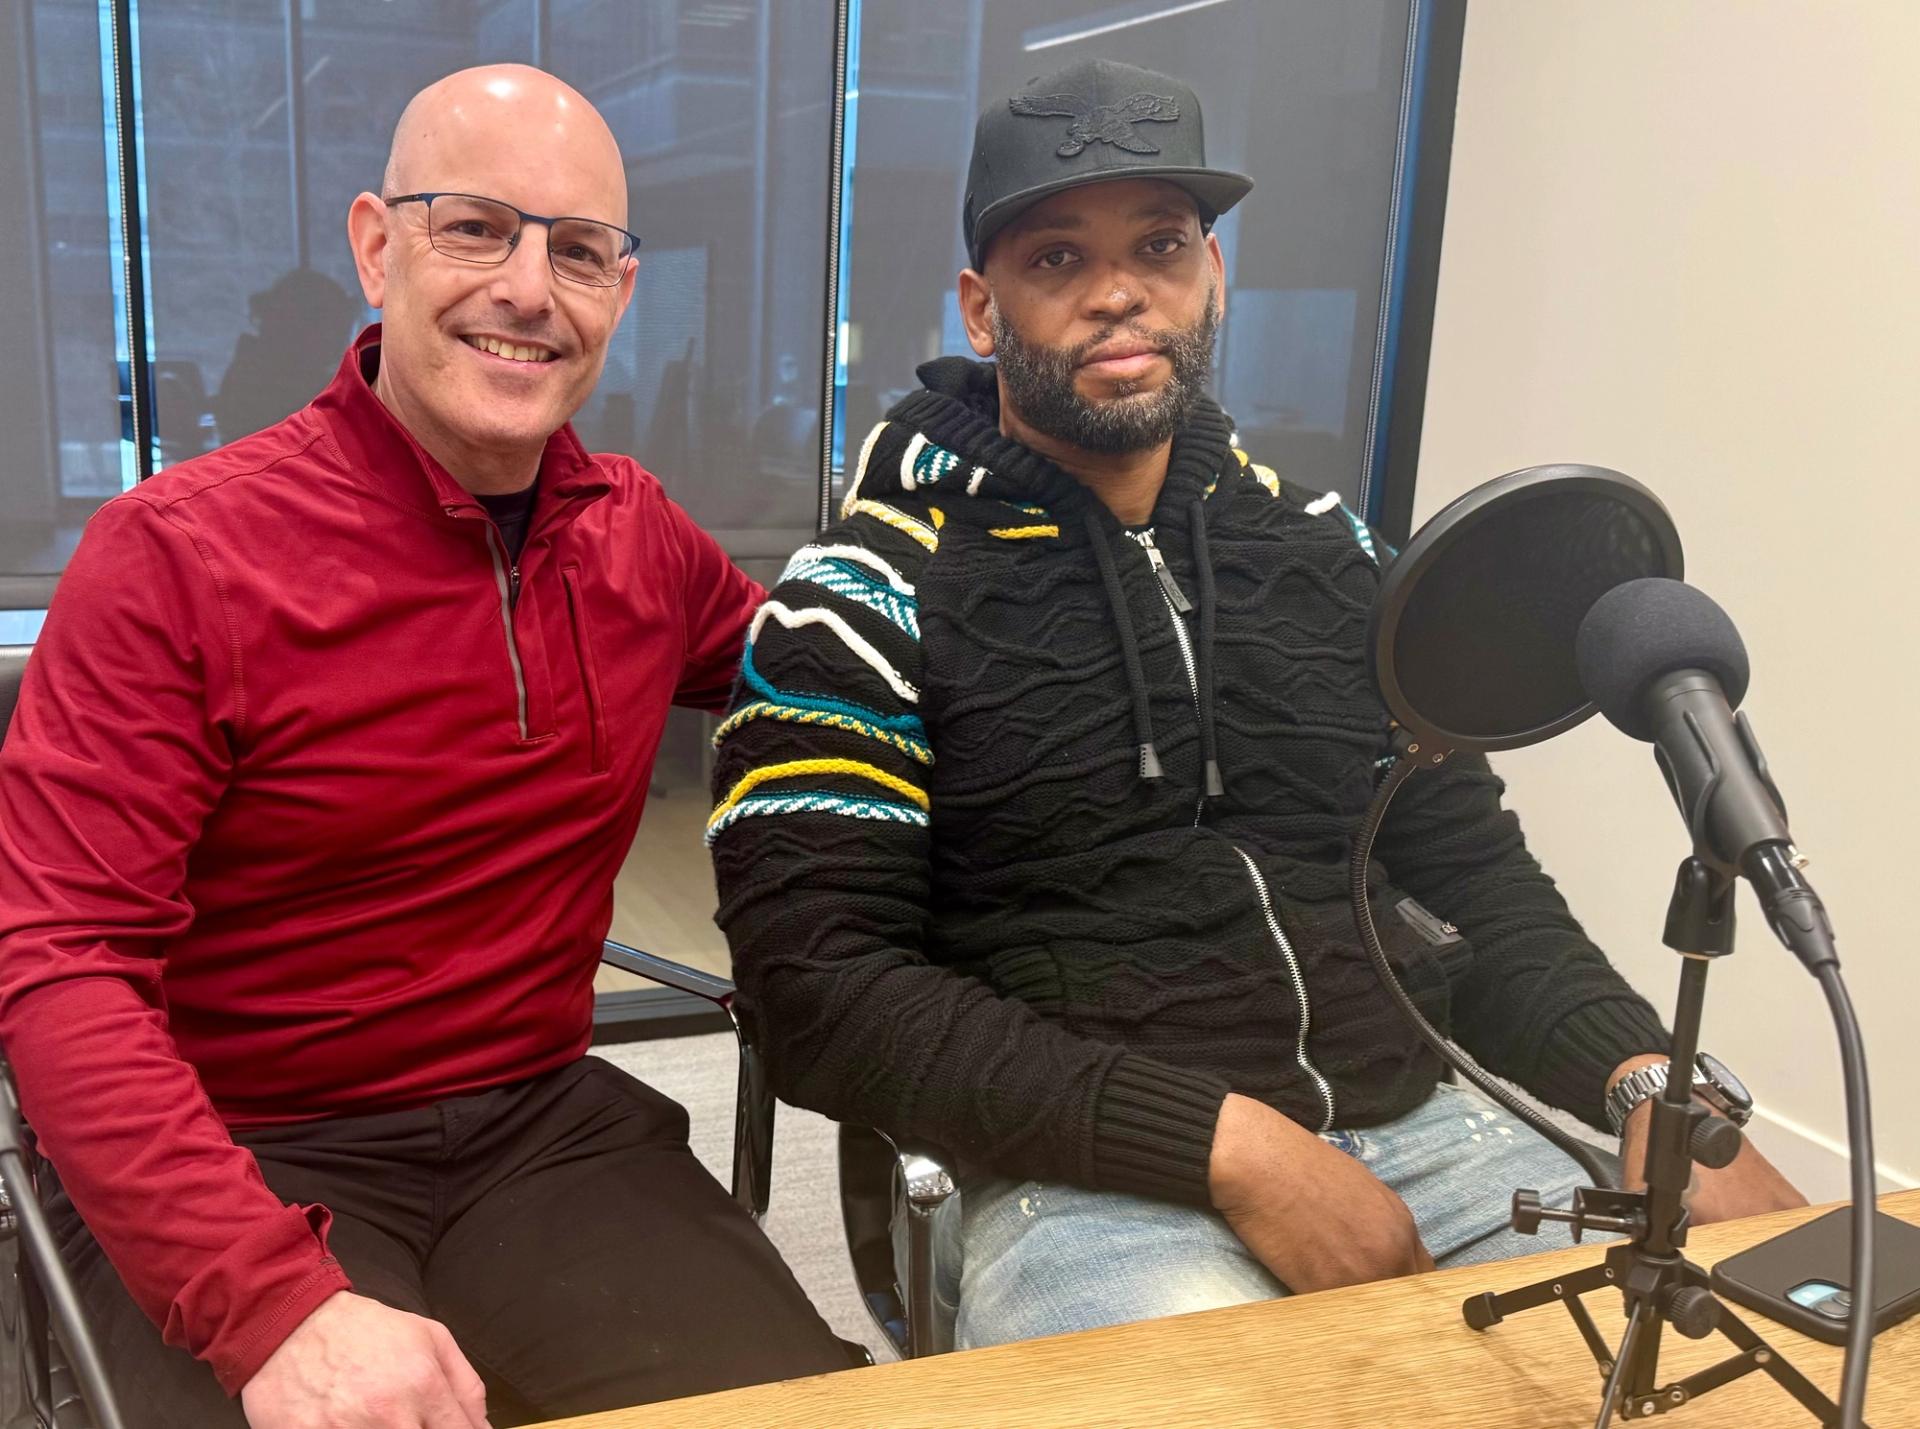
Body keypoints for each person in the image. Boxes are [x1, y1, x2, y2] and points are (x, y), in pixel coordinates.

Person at [707, 58, 1805, 1350]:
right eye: (1057, 257)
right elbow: (820, 990)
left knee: (1751, 1349)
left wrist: (1649, 1088)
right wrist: (1230, 1148)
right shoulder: (856, 596)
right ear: (981, 309)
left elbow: (1470, 873)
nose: (1119, 291)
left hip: (1436, 1131)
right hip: (1090, 1184)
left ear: (1213, 272)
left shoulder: (1341, 560)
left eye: (1159, 245)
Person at [0, 65, 848, 1428]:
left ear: (620, 295)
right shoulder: (175, 557)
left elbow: (823, 677)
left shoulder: (637, 537)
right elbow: (61, 964)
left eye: (578, 250)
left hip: (539, 1125)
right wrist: (270, 1304)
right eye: (475, 227)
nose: (528, 287)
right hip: (241, 1141)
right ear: (374, 244)